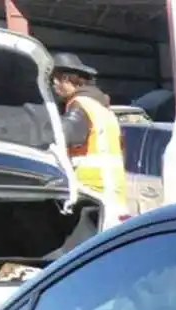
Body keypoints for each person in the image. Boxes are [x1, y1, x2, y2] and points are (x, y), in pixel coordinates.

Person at [50, 53, 129, 218]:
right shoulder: (100, 107)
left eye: (55, 80)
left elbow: (60, 135)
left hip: (92, 195)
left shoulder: (80, 106)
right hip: (111, 194)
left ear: (66, 79)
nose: (53, 86)